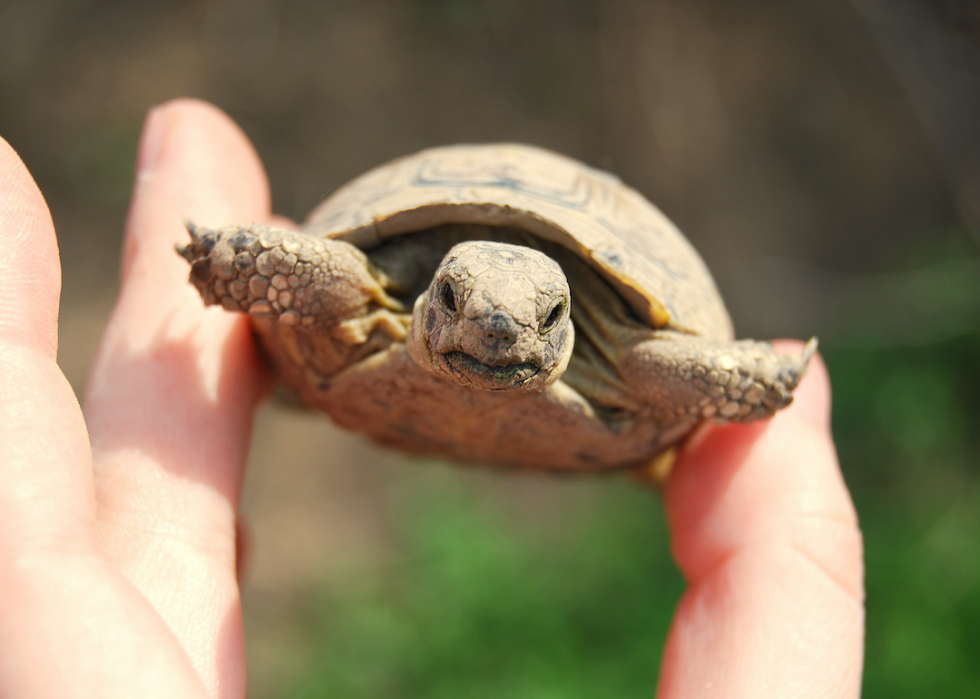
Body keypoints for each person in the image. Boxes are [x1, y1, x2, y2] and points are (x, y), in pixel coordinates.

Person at [0, 99, 865, 698]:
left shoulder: (631, 356)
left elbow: (678, 363)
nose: (494, 331)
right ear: (434, 295)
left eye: (535, 321)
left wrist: (739, 380)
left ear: (568, 314)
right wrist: (238, 261)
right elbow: (336, 270)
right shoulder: (367, 290)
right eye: (458, 307)